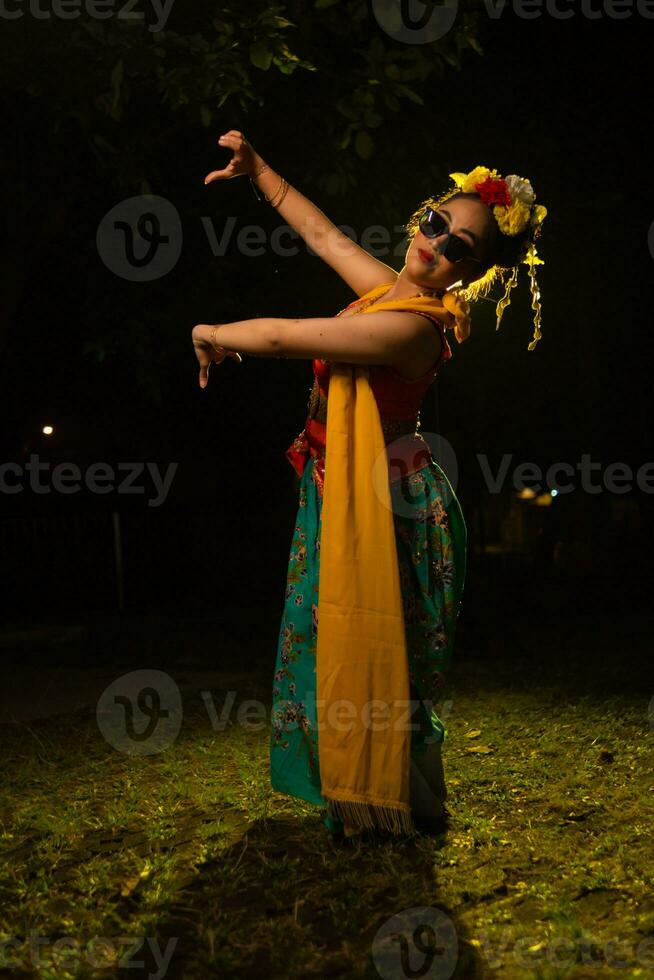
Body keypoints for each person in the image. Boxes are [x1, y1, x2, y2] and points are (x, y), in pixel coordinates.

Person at [193, 132, 547, 840]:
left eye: (459, 248)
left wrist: (213, 328)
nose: (436, 243)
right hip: (344, 488)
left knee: (387, 655)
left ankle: (404, 801)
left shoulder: (415, 330)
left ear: (471, 271)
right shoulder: (391, 291)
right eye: (435, 223)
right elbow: (322, 234)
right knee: (336, 640)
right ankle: (390, 797)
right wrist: (261, 170)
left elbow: (297, 336)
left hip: (387, 506)